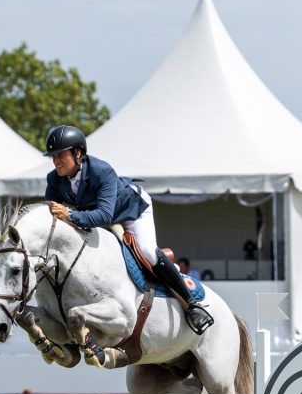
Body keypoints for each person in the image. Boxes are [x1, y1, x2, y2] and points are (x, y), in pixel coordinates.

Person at [42, 125, 213, 333]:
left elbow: (104, 215)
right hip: (98, 215)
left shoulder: (101, 171)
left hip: (132, 209)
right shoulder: (54, 179)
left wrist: (69, 215)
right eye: (53, 156)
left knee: (148, 252)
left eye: (60, 155)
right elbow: (51, 216)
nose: (56, 161)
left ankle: (192, 304)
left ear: (78, 153)